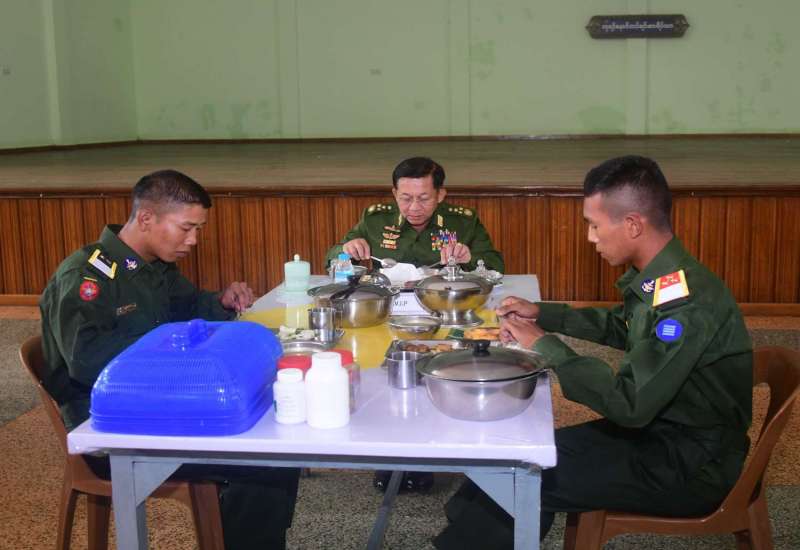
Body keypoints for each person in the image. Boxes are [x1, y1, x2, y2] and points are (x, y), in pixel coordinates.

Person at [432, 155, 753, 549]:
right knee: (515, 457)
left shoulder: (686, 305)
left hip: (691, 464)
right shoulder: (665, 279)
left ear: (633, 224)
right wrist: (544, 314)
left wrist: (545, 345)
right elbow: (622, 326)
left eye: (595, 225)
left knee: (526, 478)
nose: (590, 237)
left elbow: (630, 405)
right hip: (664, 434)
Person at [39, 169, 299, 550]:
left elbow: (189, 306)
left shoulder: (155, 266)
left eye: (198, 230)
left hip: (160, 401)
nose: (193, 240)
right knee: (263, 461)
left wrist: (220, 300)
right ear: (146, 218)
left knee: (272, 436)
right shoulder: (86, 277)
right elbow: (87, 360)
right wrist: (169, 346)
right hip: (110, 424)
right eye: (186, 228)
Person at [325, 156, 505, 273]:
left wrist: (469, 258)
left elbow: (496, 265)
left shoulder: (463, 221)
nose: (414, 208)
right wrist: (346, 251)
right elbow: (331, 260)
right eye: (406, 198)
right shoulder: (375, 219)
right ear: (395, 194)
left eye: (424, 198)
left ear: (440, 195)